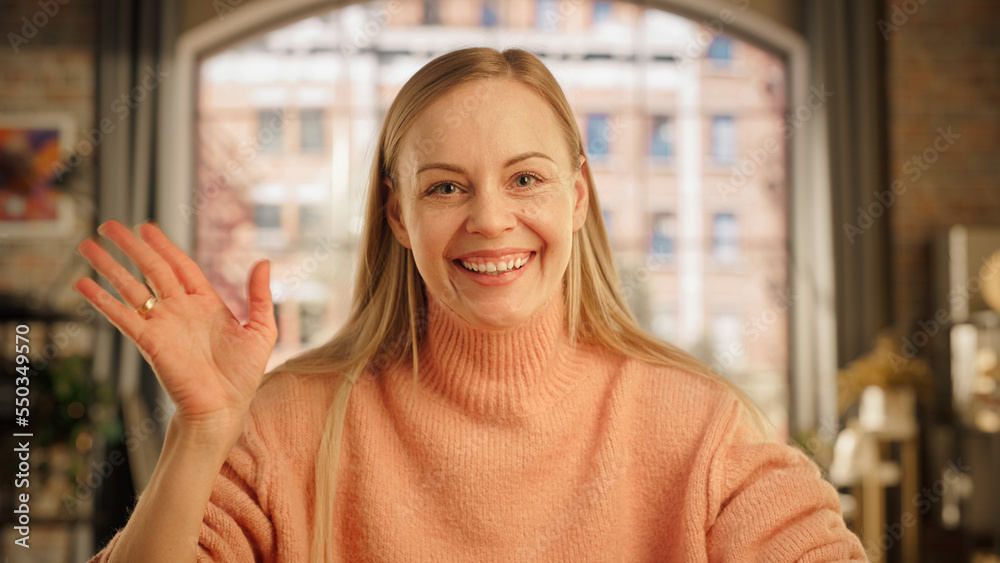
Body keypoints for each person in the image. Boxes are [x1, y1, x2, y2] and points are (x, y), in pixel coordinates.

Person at [80, 47, 867, 562]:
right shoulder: (294, 421)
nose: (490, 218)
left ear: (578, 198)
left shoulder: (696, 426)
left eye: (526, 178)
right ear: (399, 217)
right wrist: (203, 433)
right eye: (446, 186)